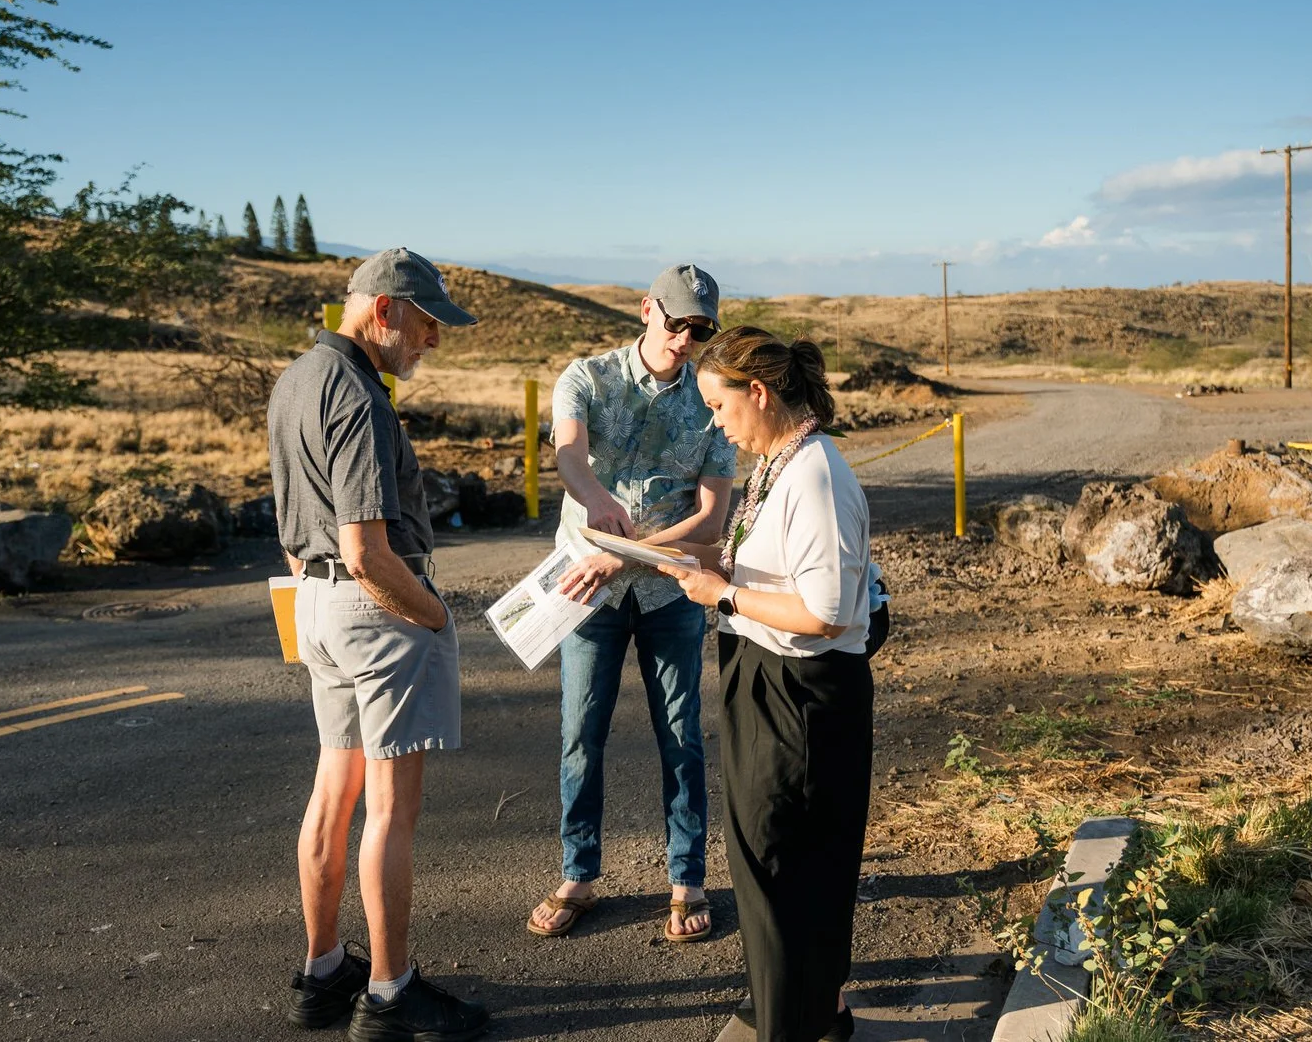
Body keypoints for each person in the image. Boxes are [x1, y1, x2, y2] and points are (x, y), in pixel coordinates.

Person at [269, 248, 491, 1042]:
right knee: (391, 810)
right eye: (429, 323)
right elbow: (366, 549)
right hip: (375, 606)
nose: (433, 341)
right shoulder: (360, 395)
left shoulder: (295, 379)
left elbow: (299, 532)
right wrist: (431, 613)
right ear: (386, 309)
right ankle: (392, 993)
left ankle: (324, 971)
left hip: (317, 604)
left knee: (334, 789)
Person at [658, 326, 875, 1042]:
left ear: (758, 392)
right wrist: (644, 552)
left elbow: (822, 611)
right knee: (774, 864)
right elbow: (751, 554)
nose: (714, 424)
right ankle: (804, 1008)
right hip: (770, 681)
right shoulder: (780, 461)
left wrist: (720, 596)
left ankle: (796, 1019)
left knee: (784, 865)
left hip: (802, 696)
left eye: (719, 407)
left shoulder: (814, 472)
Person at [526, 265, 738, 943]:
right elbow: (569, 454)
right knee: (579, 734)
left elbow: (711, 517)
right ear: (646, 309)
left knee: (681, 734)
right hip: (587, 588)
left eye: (700, 329)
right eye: (676, 322)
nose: (686, 337)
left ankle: (687, 877)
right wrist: (595, 499)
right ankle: (579, 874)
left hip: (668, 590)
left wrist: (633, 551)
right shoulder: (586, 376)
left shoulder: (713, 401)